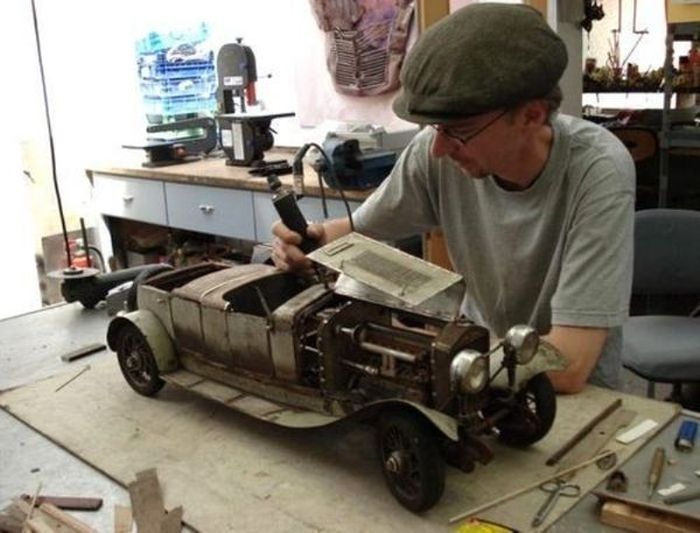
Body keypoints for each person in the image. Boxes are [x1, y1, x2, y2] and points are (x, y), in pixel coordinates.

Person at [272, 3, 635, 394]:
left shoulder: (597, 171)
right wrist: (310, 242)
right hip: (475, 369)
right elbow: (357, 230)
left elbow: (567, 364)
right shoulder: (438, 150)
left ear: (530, 116)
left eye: (458, 130)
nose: (439, 149)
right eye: (434, 128)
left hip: (571, 398)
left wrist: (443, 356)